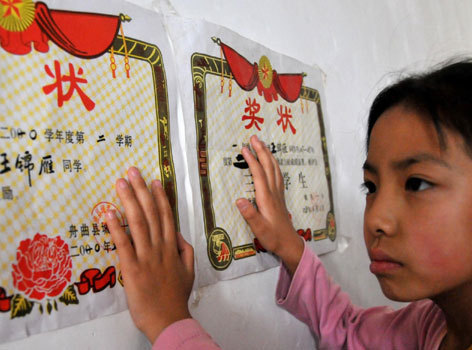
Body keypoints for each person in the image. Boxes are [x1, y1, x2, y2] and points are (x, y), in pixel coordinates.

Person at [104, 59, 472, 349]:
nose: (376, 218)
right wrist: (291, 247)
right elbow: (349, 332)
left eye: (417, 184)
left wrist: (168, 322)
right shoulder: (435, 326)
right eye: (370, 186)